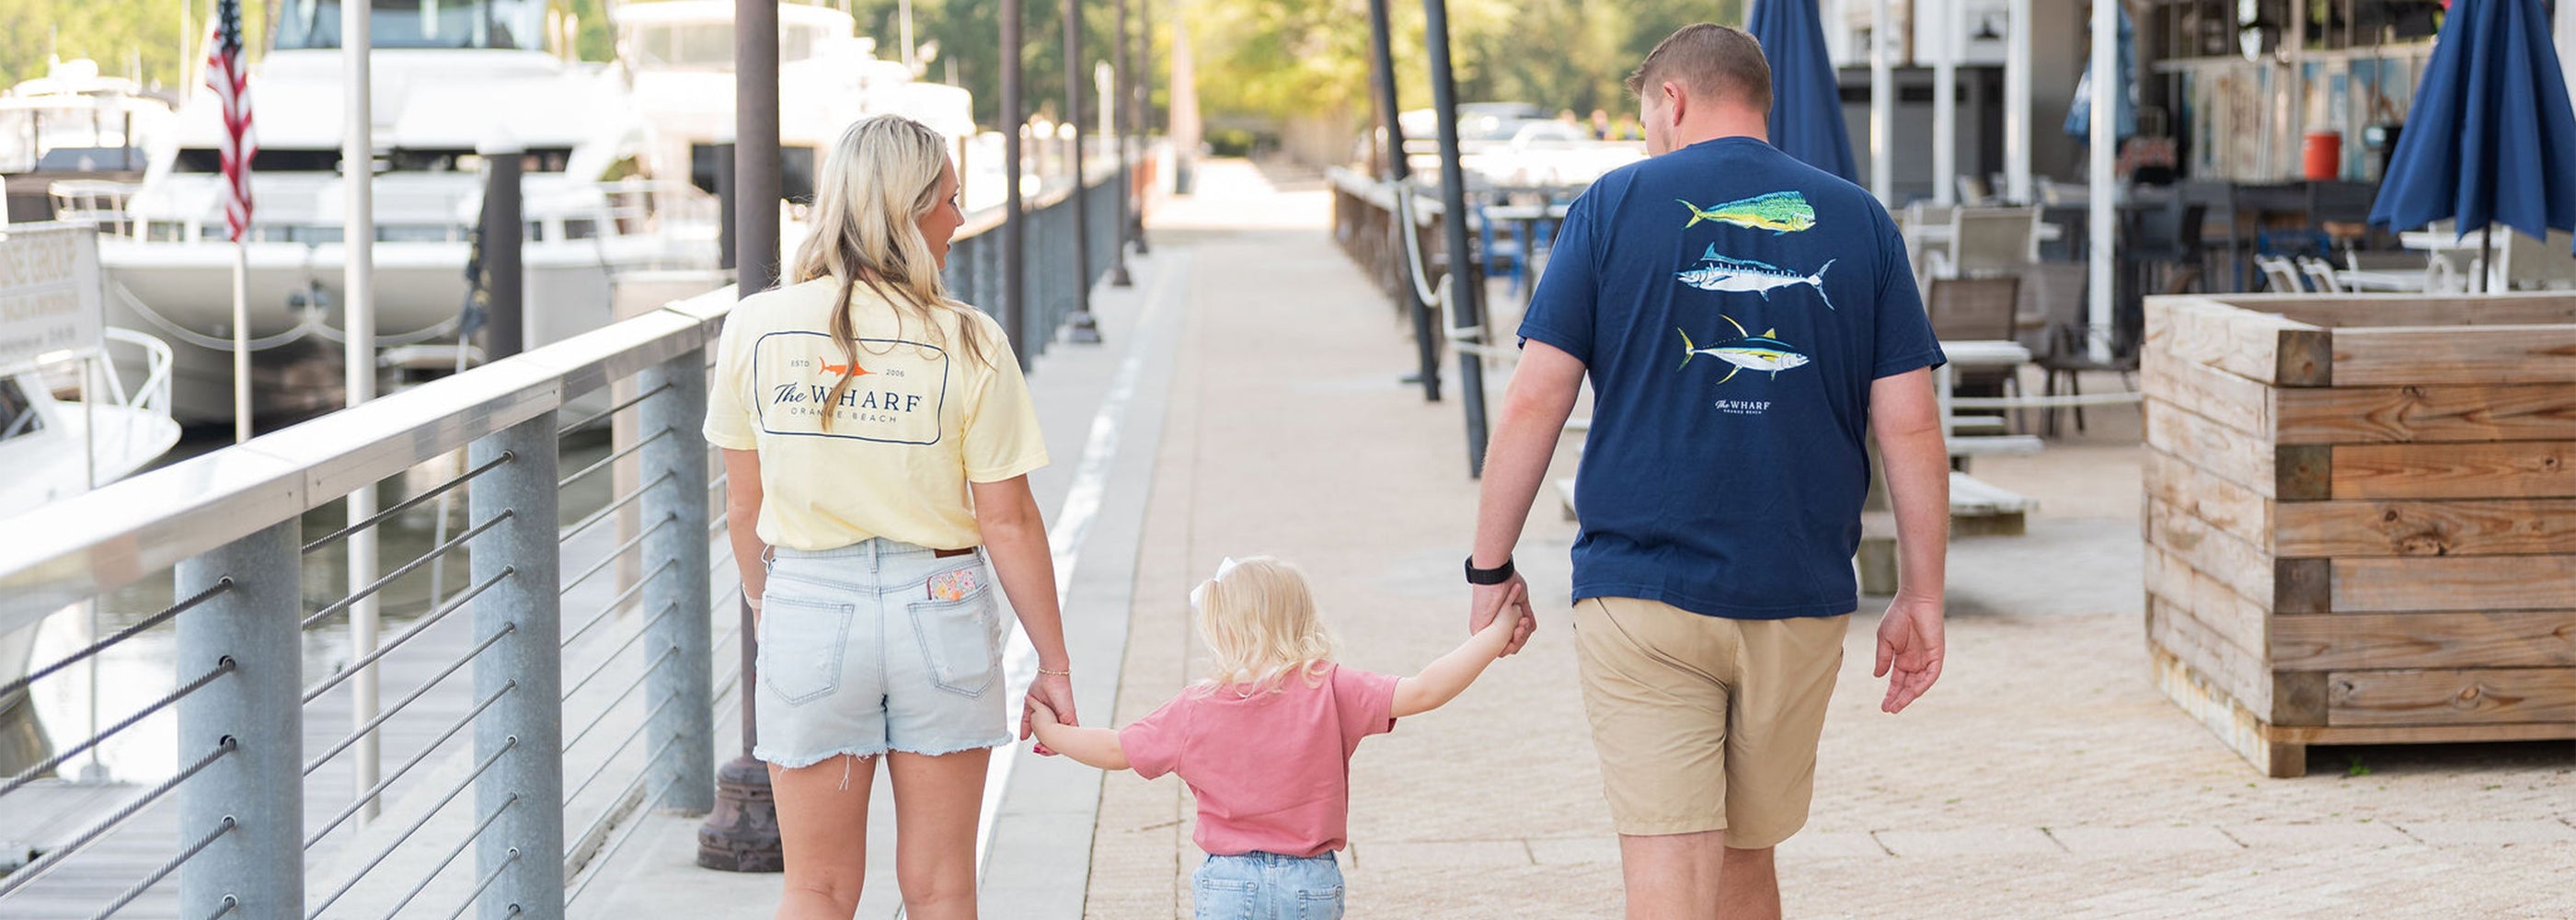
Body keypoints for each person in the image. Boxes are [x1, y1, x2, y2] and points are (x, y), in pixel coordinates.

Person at [1463, 24, 1950, 920]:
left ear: (1673, 99)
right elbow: (1911, 426)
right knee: (1743, 860)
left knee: (1668, 867)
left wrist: (1489, 569)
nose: (1650, 139)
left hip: (1642, 592)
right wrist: (1923, 592)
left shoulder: (1611, 206)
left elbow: (1536, 400)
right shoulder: (1860, 220)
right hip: (1797, 592)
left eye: (1649, 119)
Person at [704, 114, 1079, 920]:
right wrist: (1053, 667)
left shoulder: (754, 327)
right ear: (906, 211)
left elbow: (742, 504)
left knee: (816, 888)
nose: (960, 219)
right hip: (938, 609)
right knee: (942, 889)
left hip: (808, 605)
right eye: (949, 200)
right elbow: (1009, 521)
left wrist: (771, 607)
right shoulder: (971, 340)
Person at [1029, 557, 1519, 919]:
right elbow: (1426, 690)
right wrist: (1497, 631)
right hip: (1310, 881)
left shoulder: (1197, 706)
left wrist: (1053, 731)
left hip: (1227, 882)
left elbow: (1116, 749)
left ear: (1221, 627)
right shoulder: (1330, 687)